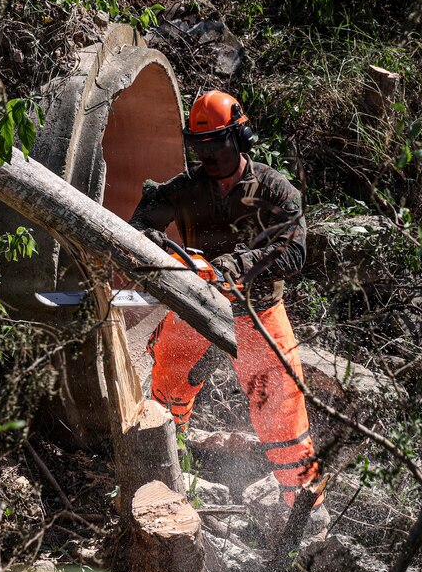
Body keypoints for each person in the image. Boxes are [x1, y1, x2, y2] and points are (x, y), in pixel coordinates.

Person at [130, 89, 321, 511]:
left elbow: (293, 251)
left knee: (282, 411)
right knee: (166, 382)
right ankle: (166, 473)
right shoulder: (185, 188)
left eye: (216, 145)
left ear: (241, 137)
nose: (208, 156)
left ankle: (305, 510)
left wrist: (233, 267)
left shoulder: (275, 190)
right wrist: (153, 243)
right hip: (197, 307)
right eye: (200, 147)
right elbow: (141, 220)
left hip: (258, 312)